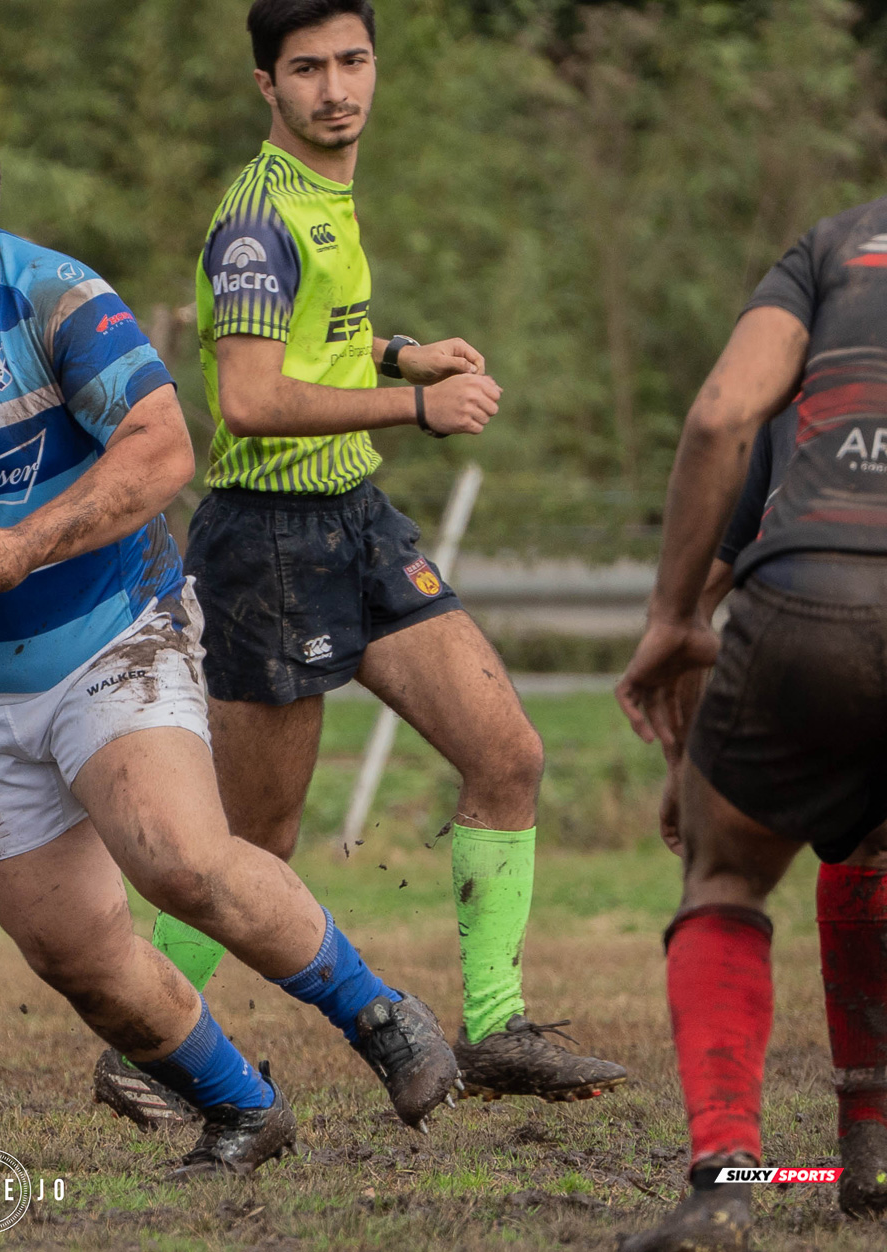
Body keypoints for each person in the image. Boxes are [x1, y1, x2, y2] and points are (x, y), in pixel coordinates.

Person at [0, 115, 461, 1176]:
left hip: (116, 638)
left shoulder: (57, 301)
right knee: (74, 954)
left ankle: (379, 1016)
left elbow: (163, 448)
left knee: (179, 861)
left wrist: (24, 545)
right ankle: (245, 1107)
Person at [105, 0, 626, 1125]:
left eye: (353, 61)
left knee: (507, 751)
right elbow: (244, 395)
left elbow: (307, 334)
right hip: (268, 541)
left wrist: (395, 346)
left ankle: (496, 1028)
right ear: (267, 86)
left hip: (353, 513)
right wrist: (418, 403)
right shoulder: (255, 218)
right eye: (307, 69)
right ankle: (146, 1050)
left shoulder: (324, 196)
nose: (336, 88)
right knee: (248, 846)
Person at [615, 195, 887, 1250]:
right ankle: (868, 1144)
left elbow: (722, 418)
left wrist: (672, 622)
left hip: (807, 612)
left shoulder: (835, 252)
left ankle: (728, 1180)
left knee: (729, 876)